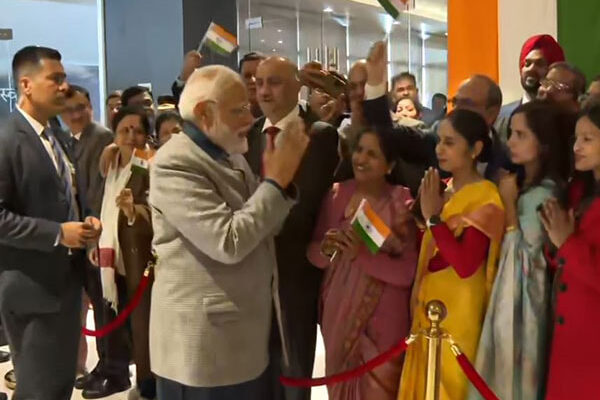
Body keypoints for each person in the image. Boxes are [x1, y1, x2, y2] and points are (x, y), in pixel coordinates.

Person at [149, 65, 309, 400]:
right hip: (206, 352)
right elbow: (228, 242)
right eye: (238, 110)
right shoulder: (174, 162)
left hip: (246, 336)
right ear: (204, 113)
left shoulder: (230, 155)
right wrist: (275, 183)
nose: (250, 119)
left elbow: (265, 224)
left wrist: (279, 187)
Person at [0, 45, 102, 400]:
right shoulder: (7, 140)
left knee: (58, 386)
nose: (64, 86)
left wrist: (85, 222)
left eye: (65, 78)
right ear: (26, 85)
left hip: (67, 286)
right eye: (55, 79)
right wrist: (58, 233)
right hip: (32, 289)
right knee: (39, 390)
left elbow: (64, 197)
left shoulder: (56, 137)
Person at [398, 109, 505, 400]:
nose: (439, 150)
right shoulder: (443, 191)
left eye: (449, 142)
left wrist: (434, 219)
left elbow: (466, 265)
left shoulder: (485, 196)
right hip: (428, 306)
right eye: (438, 141)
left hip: (459, 311)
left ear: (475, 149)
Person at [248, 56, 339, 400]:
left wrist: (257, 224)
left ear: (297, 87)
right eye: (259, 83)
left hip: (295, 270)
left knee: (294, 369)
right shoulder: (248, 134)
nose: (264, 91)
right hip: (250, 270)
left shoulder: (318, 134)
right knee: (258, 368)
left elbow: (308, 203)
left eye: (274, 82)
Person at [307, 127, 418, 400]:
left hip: (383, 321)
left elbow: (407, 272)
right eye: (359, 150)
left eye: (372, 154)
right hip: (339, 313)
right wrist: (326, 250)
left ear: (389, 165)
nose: (362, 159)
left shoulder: (401, 204)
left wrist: (361, 255)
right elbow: (314, 254)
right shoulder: (336, 195)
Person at [471, 101, 571, 400]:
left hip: (525, 302)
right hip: (508, 294)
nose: (511, 142)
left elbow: (526, 258)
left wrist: (510, 206)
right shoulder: (523, 186)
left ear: (543, 143)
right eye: (511, 134)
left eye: (521, 135)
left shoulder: (543, 194)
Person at [89, 106, 155, 400]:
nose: (131, 136)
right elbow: (101, 206)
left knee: (144, 331)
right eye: (124, 130)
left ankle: (148, 385)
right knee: (122, 325)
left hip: (141, 260)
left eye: (137, 130)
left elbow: (158, 211)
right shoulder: (111, 163)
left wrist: (133, 211)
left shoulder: (149, 164)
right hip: (113, 257)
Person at [59, 84, 116, 392]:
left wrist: (91, 236)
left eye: (81, 107)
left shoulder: (101, 138)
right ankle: (101, 364)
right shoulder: (69, 140)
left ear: (91, 106)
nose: (76, 114)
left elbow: (98, 191)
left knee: (104, 306)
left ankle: (112, 368)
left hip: (97, 235)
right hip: (79, 237)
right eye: (69, 110)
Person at [541, 104, 600, 400]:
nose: (577, 147)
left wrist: (566, 243)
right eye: (576, 138)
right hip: (570, 330)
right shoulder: (581, 192)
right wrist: (555, 241)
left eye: (588, 139)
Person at [495, 35, 565, 143]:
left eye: (540, 64)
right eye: (527, 64)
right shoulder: (501, 116)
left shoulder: (565, 116)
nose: (531, 69)